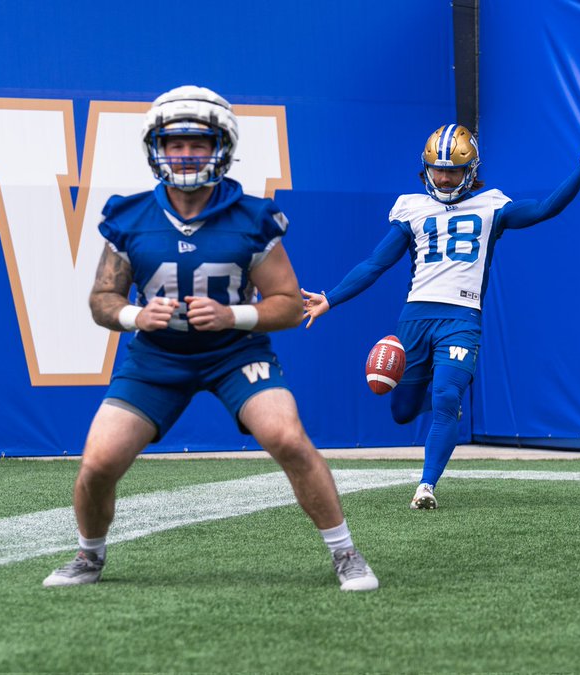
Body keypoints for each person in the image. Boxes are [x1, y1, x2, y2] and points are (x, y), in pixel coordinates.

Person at [43, 85, 378, 591]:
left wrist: (232, 315)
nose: (183, 154)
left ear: (221, 146)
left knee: (287, 437)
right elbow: (101, 300)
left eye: (195, 143)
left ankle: (346, 553)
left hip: (234, 353)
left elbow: (287, 305)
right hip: (156, 358)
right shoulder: (130, 217)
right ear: (155, 148)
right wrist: (136, 314)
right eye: (174, 144)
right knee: (98, 462)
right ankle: (89, 556)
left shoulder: (251, 217)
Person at [302, 124, 580, 510]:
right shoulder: (411, 207)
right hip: (415, 318)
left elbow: (545, 209)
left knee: (445, 397)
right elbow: (375, 263)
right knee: (402, 410)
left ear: (471, 170)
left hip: (462, 318)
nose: (445, 177)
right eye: (438, 169)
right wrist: (331, 298)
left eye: (454, 170)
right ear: (426, 168)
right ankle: (440, 399)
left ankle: (426, 486)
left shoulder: (492, 205)